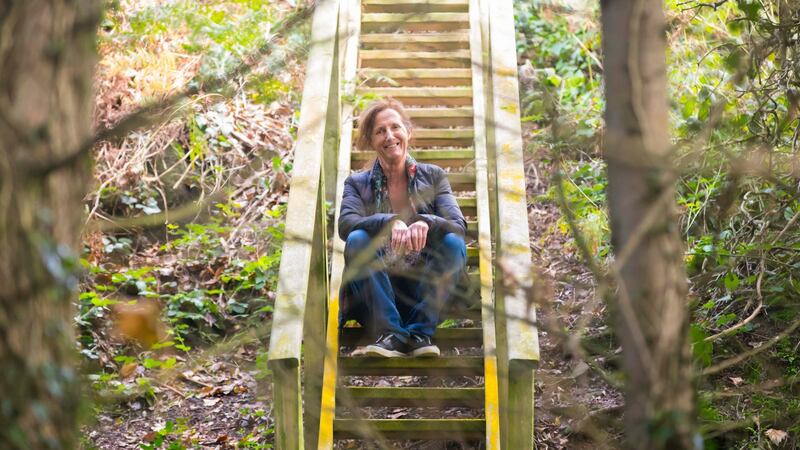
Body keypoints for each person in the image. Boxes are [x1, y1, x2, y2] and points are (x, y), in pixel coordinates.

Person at [338, 98, 467, 358]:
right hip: (377, 295)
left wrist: (425, 222)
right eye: (379, 131)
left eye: (395, 127)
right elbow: (346, 224)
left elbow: (458, 226)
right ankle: (389, 334)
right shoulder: (356, 183)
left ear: (408, 132)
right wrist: (389, 221)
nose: (389, 136)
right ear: (370, 141)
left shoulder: (434, 176)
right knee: (357, 238)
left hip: (426, 291)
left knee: (454, 243)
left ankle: (420, 334)